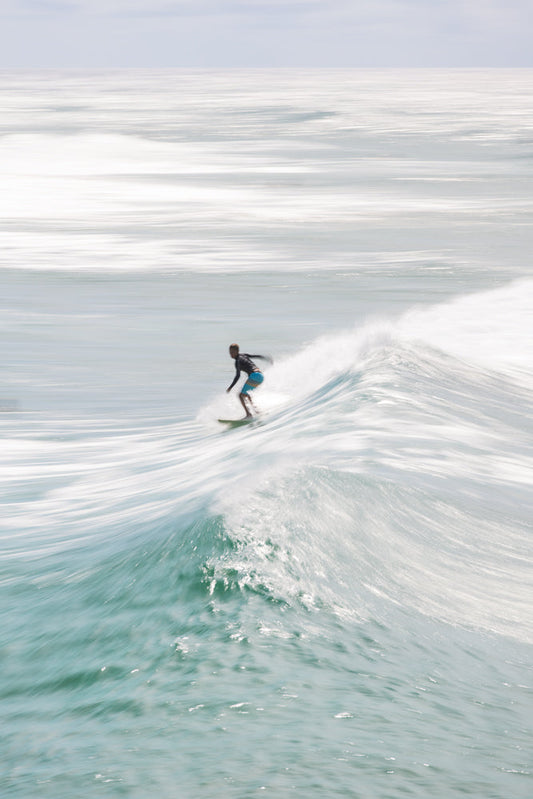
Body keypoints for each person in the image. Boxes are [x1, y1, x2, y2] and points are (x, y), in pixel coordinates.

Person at [226, 343, 272, 418]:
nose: (231, 354)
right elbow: (256, 356)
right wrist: (266, 358)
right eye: (230, 352)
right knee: (245, 394)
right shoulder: (244, 355)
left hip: (254, 376)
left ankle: (248, 414)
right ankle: (256, 410)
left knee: (240, 395)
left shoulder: (237, 361)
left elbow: (238, 376)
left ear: (237, 351)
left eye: (232, 352)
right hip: (260, 376)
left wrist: (230, 387)